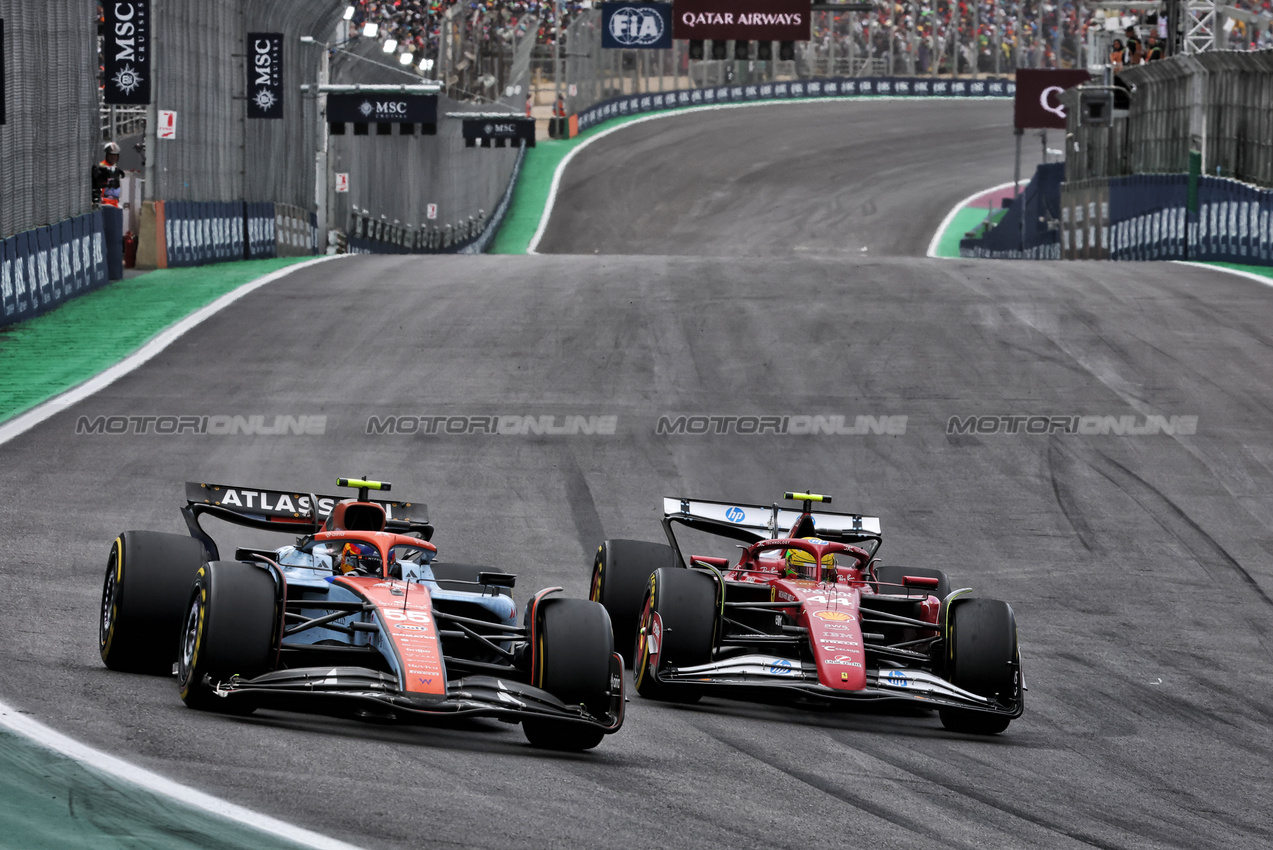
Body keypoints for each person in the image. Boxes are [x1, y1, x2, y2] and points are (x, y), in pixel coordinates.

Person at [92, 142, 125, 208]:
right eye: (111, 155)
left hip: (115, 202)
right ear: (107, 155)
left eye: (115, 155)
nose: (113, 157)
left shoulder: (115, 168)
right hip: (104, 202)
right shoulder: (101, 167)